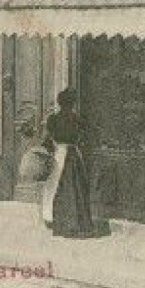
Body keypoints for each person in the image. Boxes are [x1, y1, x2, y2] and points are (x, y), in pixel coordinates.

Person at [42, 87, 100, 238]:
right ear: (72, 104)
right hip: (73, 155)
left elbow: (47, 140)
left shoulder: (53, 119)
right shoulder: (77, 119)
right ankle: (76, 222)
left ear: (59, 103)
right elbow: (89, 133)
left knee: (55, 187)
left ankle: (56, 220)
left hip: (58, 154)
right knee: (75, 189)